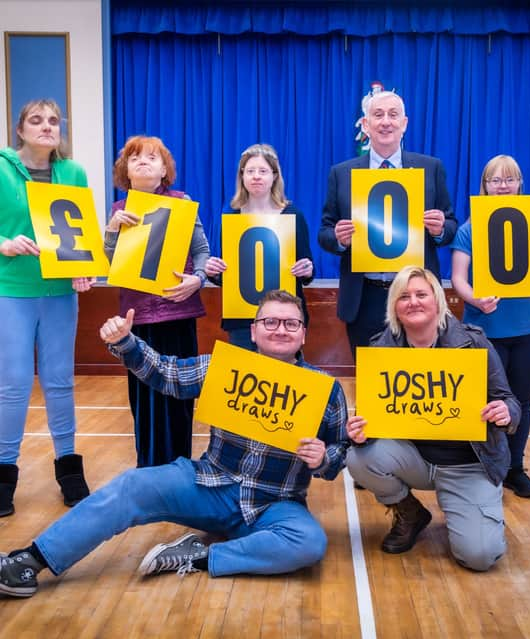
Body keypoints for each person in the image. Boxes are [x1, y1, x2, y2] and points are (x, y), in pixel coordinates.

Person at [0, 290, 349, 598]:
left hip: (275, 503)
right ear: (254, 331)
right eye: (270, 321)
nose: (280, 329)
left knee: (309, 543)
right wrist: (126, 342)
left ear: (303, 334)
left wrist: (322, 458)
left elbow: (338, 455)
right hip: (210, 485)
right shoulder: (225, 368)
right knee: (132, 485)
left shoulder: (325, 389)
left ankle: (198, 556)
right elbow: (169, 375)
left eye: (291, 324)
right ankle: (30, 560)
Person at [346, 266, 521, 571]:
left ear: (438, 301)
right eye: (404, 296)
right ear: (395, 308)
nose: (412, 302)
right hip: (414, 458)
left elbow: (509, 399)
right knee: (358, 457)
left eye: (421, 294)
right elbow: (372, 417)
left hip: (468, 464)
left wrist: (506, 413)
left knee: (480, 557)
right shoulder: (381, 348)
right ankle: (410, 513)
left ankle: (470, 508)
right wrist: (362, 431)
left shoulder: (473, 343)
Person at [450, 155, 530, 498]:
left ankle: (515, 468)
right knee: (484, 401)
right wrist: (476, 300)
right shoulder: (469, 229)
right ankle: (480, 467)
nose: (502, 186)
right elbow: (458, 278)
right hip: (485, 330)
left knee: (521, 402)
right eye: (494, 180)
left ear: (520, 184)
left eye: (509, 179)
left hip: (529, 330)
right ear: (483, 186)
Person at [0, 99, 91, 517]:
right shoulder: (1, 168)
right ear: (20, 130)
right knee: (14, 384)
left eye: (54, 120)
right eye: (36, 120)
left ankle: (69, 469)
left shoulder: (73, 173)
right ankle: (3, 476)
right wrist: (4, 244)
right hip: (12, 289)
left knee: (60, 381)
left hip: (59, 293)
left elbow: (79, 234)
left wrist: (85, 270)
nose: (47, 127)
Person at [317, 91, 458, 357]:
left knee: (420, 379)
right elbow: (324, 232)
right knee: (372, 386)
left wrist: (440, 230)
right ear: (365, 124)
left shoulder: (431, 168)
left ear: (404, 123)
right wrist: (338, 238)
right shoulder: (342, 173)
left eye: (393, 115)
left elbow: (451, 226)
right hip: (365, 297)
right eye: (378, 115)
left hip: (416, 297)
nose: (386, 122)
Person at [104, 135, 210, 467]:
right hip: (137, 319)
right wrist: (110, 231)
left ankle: (179, 468)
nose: (144, 162)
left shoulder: (182, 201)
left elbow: (202, 252)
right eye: (135, 158)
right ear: (125, 170)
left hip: (178, 313)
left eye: (152, 157)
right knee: (143, 399)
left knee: (179, 397)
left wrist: (199, 279)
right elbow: (109, 261)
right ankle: (147, 468)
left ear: (164, 169)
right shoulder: (119, 211)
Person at [205, 144, 314, 350]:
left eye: (263, 171)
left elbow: (308, 271)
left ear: (274, 176)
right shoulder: (231, 216)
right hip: (242, 319)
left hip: (285, 320)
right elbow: (226, 273)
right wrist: (214, 271)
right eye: (250, 171)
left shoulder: (293, 215)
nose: (256, 176)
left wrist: (307, 269)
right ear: (242, 176)